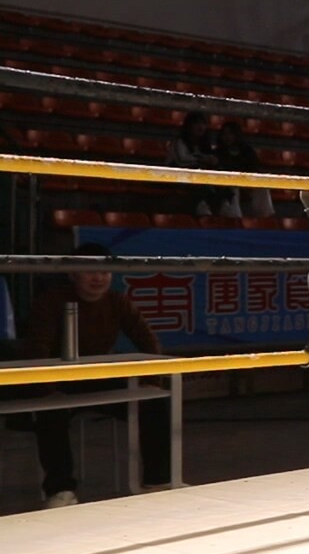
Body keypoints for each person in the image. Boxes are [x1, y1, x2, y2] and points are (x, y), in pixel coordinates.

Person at [22, 244, 172, 506]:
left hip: (98, 376)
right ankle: (60, 490)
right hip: (57, 381)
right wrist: (47, 389)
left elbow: (148, 341)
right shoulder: (50, 301)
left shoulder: (117, 301)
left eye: (104, 271)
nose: (98, 278)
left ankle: (157, 481)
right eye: (90, 271)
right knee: (50, 413)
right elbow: (38, 348)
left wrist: (151, 381)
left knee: (154, 402)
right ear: (72, 274)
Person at [166, 110, 221, 215]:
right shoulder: (179, 142)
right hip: (177, 178)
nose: (200, 127)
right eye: (197, 123)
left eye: (203, 124)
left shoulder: (204, 145)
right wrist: (202, 160)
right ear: (189, 125)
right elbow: (181, 161)